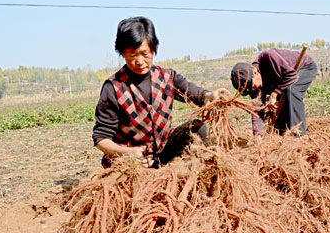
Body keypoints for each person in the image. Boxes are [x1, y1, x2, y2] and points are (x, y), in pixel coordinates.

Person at [92, 16, 230, 168]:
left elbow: (193, 93)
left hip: (163, 151)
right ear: (122, 53)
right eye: (132, 55)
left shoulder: (166, 77)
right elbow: (101, 139)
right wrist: (129, 153)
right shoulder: (113, 87)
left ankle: (179, 169)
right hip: (131, 161)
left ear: (153, 49)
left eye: (145, 54)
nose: (139, 61)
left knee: (197, 128)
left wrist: (210, 95)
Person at [230, 48, 317, 137]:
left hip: (304, 67)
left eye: (253, 86)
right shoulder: (253, 88)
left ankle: (299, 134)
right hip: (283, 81)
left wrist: (275, 93)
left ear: (255, 72)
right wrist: (258, 138)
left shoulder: (268, 57)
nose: (253, 89)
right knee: (278, 129)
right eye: (250, 89)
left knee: (291, 91)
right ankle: (281, 134)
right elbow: (257, 112)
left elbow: (292, 76)